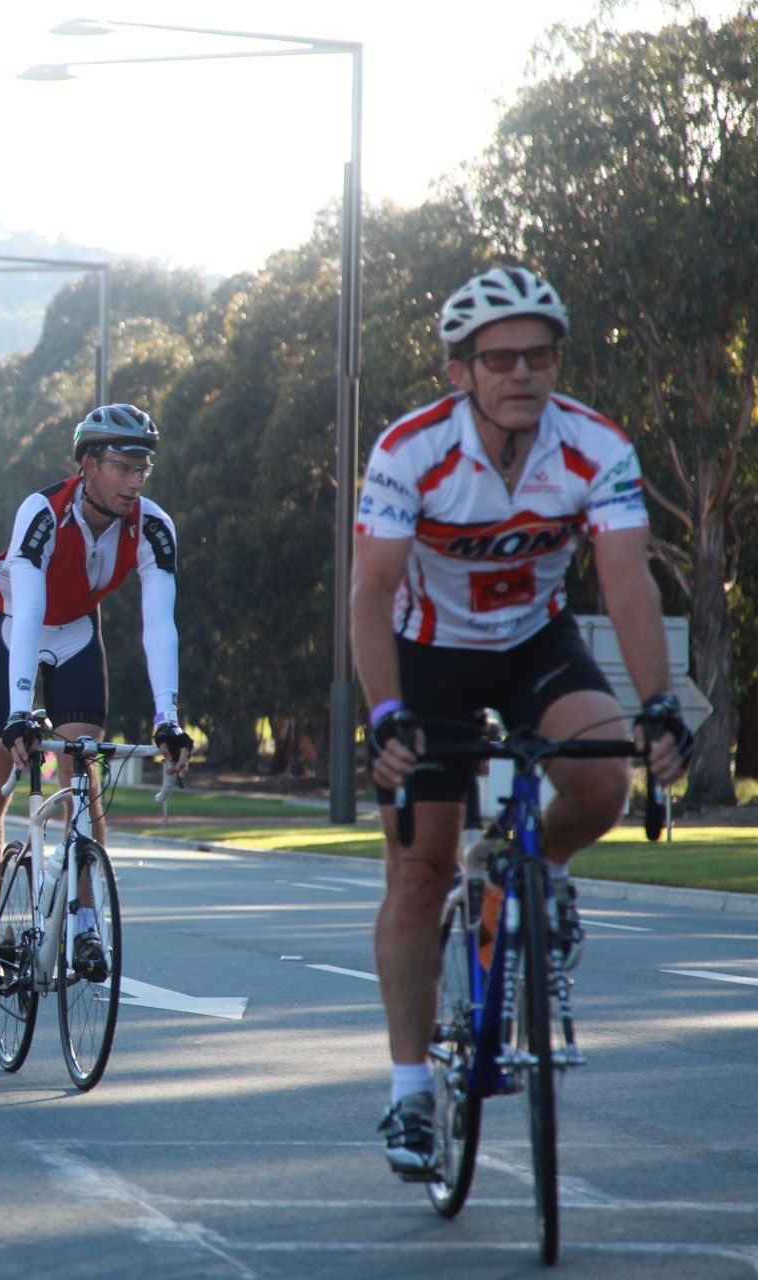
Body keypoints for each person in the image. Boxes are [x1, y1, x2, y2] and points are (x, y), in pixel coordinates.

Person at [352, 265, 693, 1180]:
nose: (522, 374)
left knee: (601, 778)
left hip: (532, 641)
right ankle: (411, 1091)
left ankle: (529, 866)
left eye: (539, 356)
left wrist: (658, 703)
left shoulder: (594, 446)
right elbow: (371, 593)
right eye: (499, 358)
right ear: (461, 371)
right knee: (420, 871)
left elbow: (626, 578)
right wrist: (385, 716)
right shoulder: (410, 451)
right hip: (429, 655)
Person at [0, 403, 193, 994]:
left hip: (77, 635)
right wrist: (19, 711)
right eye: (123, 466)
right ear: (88, 465)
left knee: (83, 771)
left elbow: (159, 625)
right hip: (16, 623)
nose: (136, 480)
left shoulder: (153, 525)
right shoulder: (42, 513)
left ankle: (85, 921)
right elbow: (32, 607)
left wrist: (168, 717)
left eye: (144, 467)